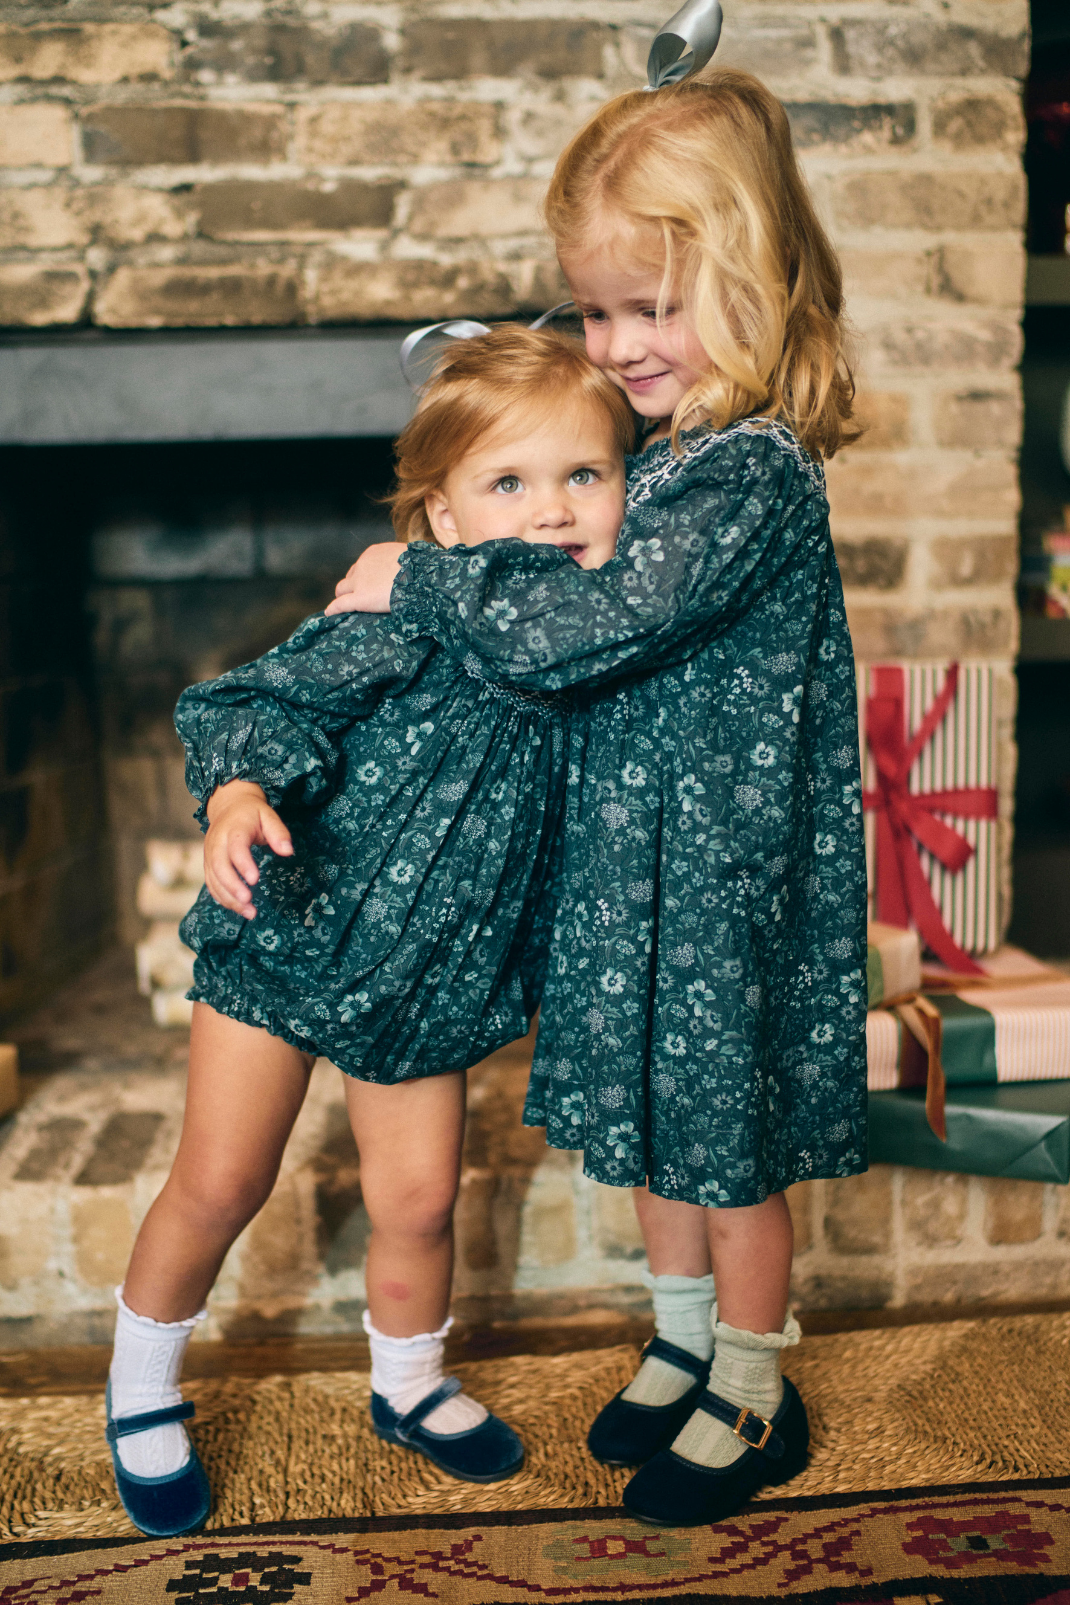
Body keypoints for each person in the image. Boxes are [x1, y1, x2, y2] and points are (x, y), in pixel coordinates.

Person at [327, 70, 869, 1527]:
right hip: (631, 863)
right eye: (596, 311)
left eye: (652, 308)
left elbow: (587, 626)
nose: (617, 346)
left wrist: (419, 572)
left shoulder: (749, 474)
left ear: (750, 284)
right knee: (652, 1122)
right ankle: (680, 1338)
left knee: (725, 1139)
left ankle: (754, 1380)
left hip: (716, 873)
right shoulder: (669, 450)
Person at [103, 325, 633, 1539]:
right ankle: (140, 1391)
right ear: (439, 522)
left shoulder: (596, 654)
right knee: (220, 1178)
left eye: (583, 477)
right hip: (287, 940)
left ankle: (408, 1384)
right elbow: (261, 699)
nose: (550, 511)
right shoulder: (400, 615)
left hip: (431, 984)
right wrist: (239, 791)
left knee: (418, 1204)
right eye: (509, 484)